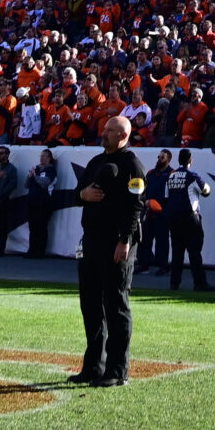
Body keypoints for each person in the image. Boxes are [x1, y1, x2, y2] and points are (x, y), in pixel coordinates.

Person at [74, 115, 147, 385]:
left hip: (117, 243)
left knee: (115, 305)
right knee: (90, 305)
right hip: (91, 241)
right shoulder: (96, 162)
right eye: (104, 128)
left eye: (110, 130)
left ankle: (117, 371)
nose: (103, 133)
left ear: (123, 136)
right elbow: (75, 193)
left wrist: (125, 240)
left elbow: (137, 206)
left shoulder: (132, 165)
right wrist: (83, 196)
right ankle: (92, 367)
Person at [163, 148, 213, 292]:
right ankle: (200, 283)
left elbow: (166, 197)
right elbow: (206, 191)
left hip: (174, 217)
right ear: (190, 160)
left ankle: (174, 283)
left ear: (178, 160)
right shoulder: (192, 175)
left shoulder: (170, 176)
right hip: (190, 217)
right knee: (194, 251)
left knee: (177, 252)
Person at [25, 149, 61, 259]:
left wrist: (35, 176)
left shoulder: (51, 170)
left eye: (45, 156)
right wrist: (30, 176)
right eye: (41, 156)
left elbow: (44, 183)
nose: (42, 158)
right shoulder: (36, 169)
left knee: (41, 227)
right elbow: (26, 185)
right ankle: (31, 250)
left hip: (44, 203)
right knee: (32, 228)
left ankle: (40, 252)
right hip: (32, 201)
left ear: (49, 158)